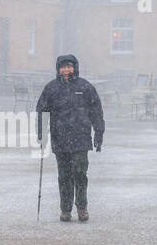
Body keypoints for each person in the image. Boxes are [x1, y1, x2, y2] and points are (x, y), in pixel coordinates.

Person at [36, 55, 105, 223]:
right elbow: (42, 112)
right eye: (63, 67)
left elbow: (96, 110)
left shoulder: (85, 87)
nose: (66, 70)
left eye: (69, 66)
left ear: (75, 68)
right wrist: (41, 133)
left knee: (80, 173)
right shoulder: (51, 88)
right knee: (64, 175)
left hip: (81, 138)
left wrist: (99, 131)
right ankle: (65, 209)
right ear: (58, 69)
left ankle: (82, 208)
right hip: (60, 139)